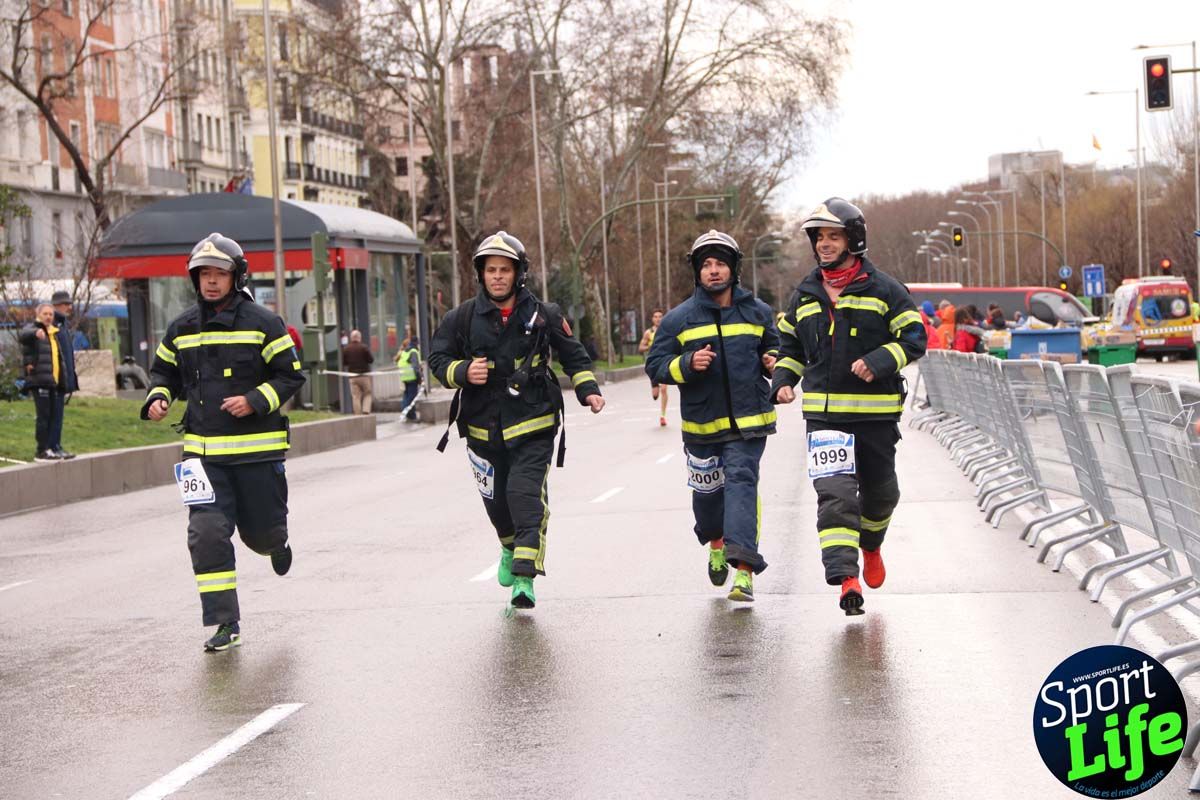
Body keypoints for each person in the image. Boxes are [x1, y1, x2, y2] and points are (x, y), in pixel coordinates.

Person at [140, 232, 305, 652]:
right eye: (204, 274)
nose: (211, 282)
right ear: (195, 279)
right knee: (207, 534)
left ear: (237, 276)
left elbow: (290, 375)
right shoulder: (181, 328)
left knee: (261, 534)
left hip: (256, 454)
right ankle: (224, 623)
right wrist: (158, 397)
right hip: (202, 456)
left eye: (220, 274)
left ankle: (277, 544)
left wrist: (254, 401)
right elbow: (164, 374)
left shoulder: (264, 323)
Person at [429, 231, 604, 609]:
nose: (497, 276)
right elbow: (437, 361)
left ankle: (524, 576)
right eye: (490, 270)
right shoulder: (461, 318)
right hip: (481, 431)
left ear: (518, 273)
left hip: (533, 425)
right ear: (481, 274)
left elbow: (574, 356)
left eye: (504, 270)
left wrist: (588, 390)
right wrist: (461, 372)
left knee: (524, 495)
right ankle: (508, 547)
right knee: (498, 509)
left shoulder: (545, 315)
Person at [772, 198, 927, 615]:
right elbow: (789, 346)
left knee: (881, 495)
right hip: (824, 420)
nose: (824, 244)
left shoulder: (886, 290)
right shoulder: (804, 295)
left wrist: (878, 362)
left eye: (833, 236)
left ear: (853, 239)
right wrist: (784, 380)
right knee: (836, 498)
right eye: (819, 237)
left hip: (875, 418)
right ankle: (847, 579)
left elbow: (915, 339)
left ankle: (871, 545)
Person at [645, 230, 780, 602]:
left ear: (734, 268)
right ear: (697, 272)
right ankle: (716, 543)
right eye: (706, 265)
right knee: (707, 501)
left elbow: (778, 352)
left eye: (720, 263)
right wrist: (687, 363)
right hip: (702, 426)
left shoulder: (758, 311)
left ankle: (744, 572)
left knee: (741, 482)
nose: (714, 271)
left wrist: (774, 364)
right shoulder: (678, 320)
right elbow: (655, 366)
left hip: (750, 423)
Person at [19, 304, 72, 461]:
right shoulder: (35, 329)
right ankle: (41, 450)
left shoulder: (53, 333)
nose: (48, 317)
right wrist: (36, 332)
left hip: (53, 382)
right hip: (40, 380)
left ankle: (51, 448)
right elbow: (24, 335)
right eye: (45, 314)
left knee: (53, 416)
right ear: (38, 314)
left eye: (50, 314)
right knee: (43, 416)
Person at [638, 308, 669, 427]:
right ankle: (656, 393)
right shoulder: (648, 332)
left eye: (660, 316)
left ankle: (662, 415)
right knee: (655, 395)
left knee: (664, 389)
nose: (658, 319)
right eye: (655, 317)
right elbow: (640, 348)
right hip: (654, 364)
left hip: (665, 361)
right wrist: (649, 346)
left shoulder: (667, 330)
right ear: (652, 319)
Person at [342, 329, 374, 415]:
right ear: (359, 337)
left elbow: (344, 362)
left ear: (351, 338)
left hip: (352, 376)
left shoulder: (346, 349)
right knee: (368, 393)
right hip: (364, 375)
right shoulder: (364, 347)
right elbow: (371, 360)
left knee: (356, 396)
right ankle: (366, 410)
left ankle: (358, 414)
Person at [395, 331, 422, 422]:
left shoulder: (405, 351)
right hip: (411, 378)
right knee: (411, 397)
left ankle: (409, 415)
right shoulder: (413, 351)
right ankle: (410, 414)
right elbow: (415, 367)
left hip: (404, 377)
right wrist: (419, 378)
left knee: (407, 396)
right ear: (417, 343)